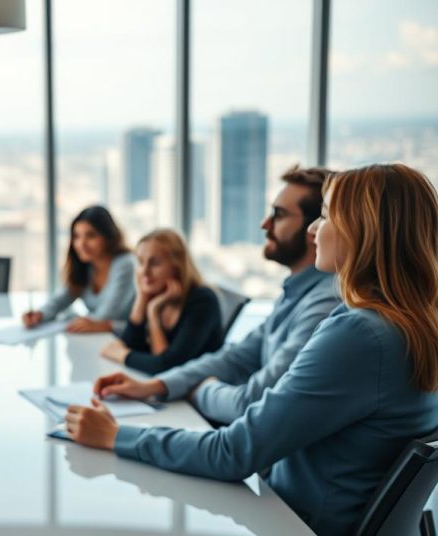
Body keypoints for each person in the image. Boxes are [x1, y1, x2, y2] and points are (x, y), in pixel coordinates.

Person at [67, 163, 438, 536]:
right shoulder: (409, 321)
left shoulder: (358, 335)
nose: (314, 230)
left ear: (363, 230)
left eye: (327, 215)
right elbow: (239, 363)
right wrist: (161, 386)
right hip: (321, 529)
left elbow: (235, 452)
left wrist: (115, 436)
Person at [93, 166, 341, 424]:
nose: (264, 224)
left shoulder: (324, 304)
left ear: (314, 229)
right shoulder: (294, 292)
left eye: (279, 215)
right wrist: (156, 386)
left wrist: (199, 390)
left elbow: (255, 402)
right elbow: (236, 358)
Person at [100, 229, 222, 374]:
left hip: (197, 390)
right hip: (167, 389)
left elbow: (168, 367)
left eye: (154, 263)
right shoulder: (154, 295)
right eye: (140, 262)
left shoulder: (203, 301)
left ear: (177, 266)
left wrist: (122, 355)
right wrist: (141, 299)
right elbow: (131, 345)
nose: (144, 272)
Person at [22, 206, 135, 333]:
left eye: (91, 236)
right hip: (100, 339)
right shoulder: (86, 266)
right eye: (76, 237)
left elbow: (106, 317)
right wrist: (40, 314)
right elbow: (62, 298)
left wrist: (75, 319)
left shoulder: (125, 264)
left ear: (108, 237)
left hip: (128, 342)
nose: (81, 244)